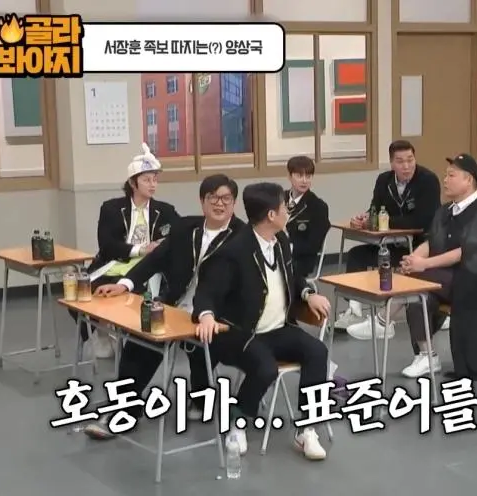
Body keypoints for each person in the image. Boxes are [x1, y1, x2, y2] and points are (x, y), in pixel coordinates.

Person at [81, 174, 244, 440]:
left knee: (200, 347)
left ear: (234, 203)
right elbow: (154, 259)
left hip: (217, 317)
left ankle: (202, 397)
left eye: (226, 198)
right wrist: (124, 284)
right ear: (202, 201)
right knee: (140, 341)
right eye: (213, 197)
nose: (219, 203)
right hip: (176, 308)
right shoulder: (186, 228)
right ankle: (125, 411)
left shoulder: (243, 237)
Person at [192, 182, 333, 460]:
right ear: (271, 215)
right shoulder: (234, 251)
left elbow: (293, 277)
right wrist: (206, 316)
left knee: (317, 352)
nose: (287, 212)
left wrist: (308, 294)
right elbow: (207, 291)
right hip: (242, 333)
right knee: (265, 367)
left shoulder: (281, 241)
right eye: (284, 207)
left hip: (278, 330)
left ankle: (306, 429)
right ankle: (238, 422)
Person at [397, 154, 477, 381]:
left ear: (469, 180)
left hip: (474, 277)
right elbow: (432, 242)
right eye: (445, 175)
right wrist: (414, 258)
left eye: (451, 176)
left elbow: (465, 252)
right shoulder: (445, 211)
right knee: (417, 297)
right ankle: (427, 355)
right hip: (445, 277)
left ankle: (382, 319)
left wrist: (424, 264)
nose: (445, 180)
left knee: (416, 281)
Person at [73, 143, 180, 359]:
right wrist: (141, 249)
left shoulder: (165, 210)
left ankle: (129, 343)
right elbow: (107, 245)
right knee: (78, 296)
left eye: (155, 179)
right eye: (147, 180)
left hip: (147, 269)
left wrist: (161, 246)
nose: (153, 185)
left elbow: (178, 236)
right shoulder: (111, 208)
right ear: (132, 183)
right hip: (115, 264)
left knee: (136, 299)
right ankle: (101, 334)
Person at [339, 140, 441, 339]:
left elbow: (423, 219)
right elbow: (375, 209)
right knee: (356, 256)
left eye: (410, 160)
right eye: (400, 161)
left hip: (422, 246)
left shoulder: (428, 180)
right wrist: (365, 218)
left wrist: (382, 221)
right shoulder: (384, 180)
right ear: (392, 163)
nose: (406, 166)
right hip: (393, 244)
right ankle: (354, 309)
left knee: (408, 269)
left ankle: (385, 321)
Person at [284, 156, 330, 279]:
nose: (304, 181)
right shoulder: (278, 200)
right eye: (299, 176)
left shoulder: (318, 206)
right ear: (289, 176)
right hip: (272, 254)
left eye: (308, 176)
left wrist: (287, 247)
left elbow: (313, 245)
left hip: (300, 260)